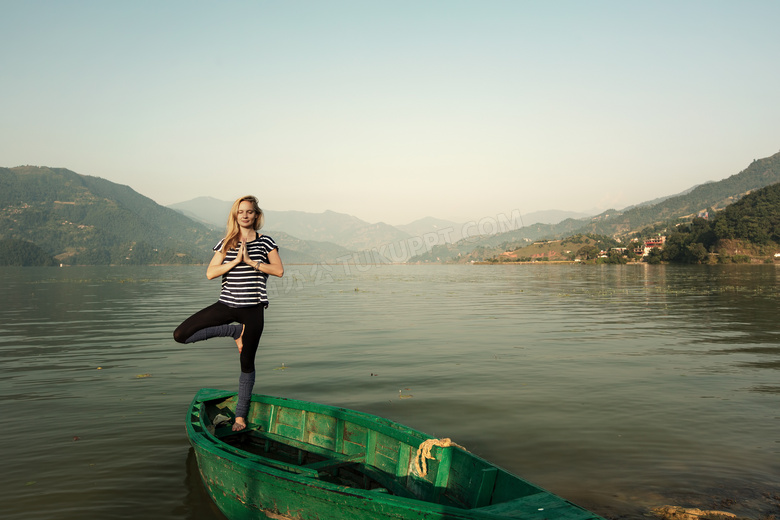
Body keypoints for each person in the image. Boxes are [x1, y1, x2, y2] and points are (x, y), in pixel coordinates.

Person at [173, 195, 284, 431]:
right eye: (240, 211)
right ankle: (234, 331)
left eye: (249, 212)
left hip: (253, 309)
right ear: (236, 215)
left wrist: (251, 261)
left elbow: (278, 270)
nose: (245, 215)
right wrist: (234, 262)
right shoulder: (227, 242)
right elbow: (211, 273)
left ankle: (240, 417)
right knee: (181, 334)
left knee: (247, 362)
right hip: (225, 305)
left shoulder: (266, 243)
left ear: (256, 215)